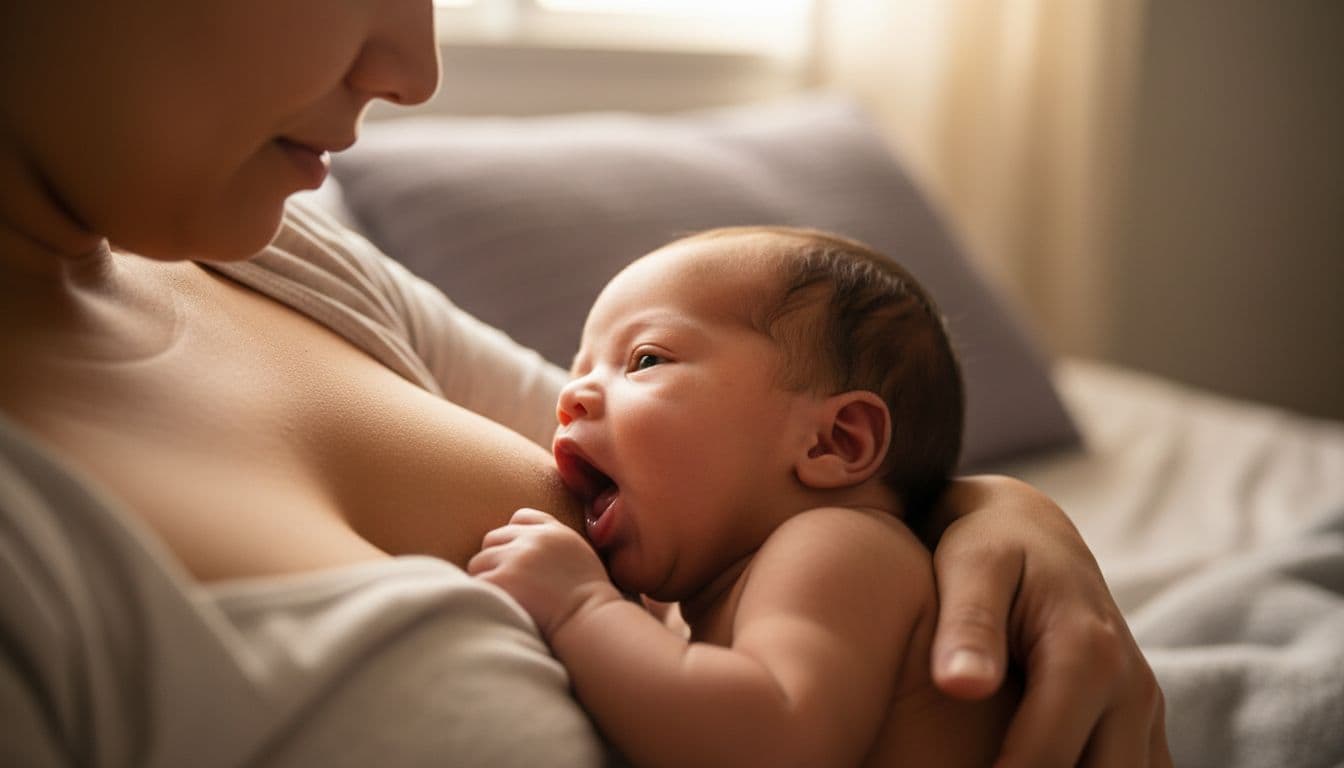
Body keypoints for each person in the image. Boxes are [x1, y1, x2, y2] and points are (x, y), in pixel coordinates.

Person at [0, 1, 1168, 766]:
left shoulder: (282, 260)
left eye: (641, 360)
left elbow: (776, 691)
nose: (414, 68)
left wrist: (992, 512)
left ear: (842, 442)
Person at [470, 226, 1019, 766]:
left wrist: (581, 607)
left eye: (645, 360)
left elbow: (776, 741)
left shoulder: (841, 547)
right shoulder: (702, 594)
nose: (571, 396)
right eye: (579, 370)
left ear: (833, 442)